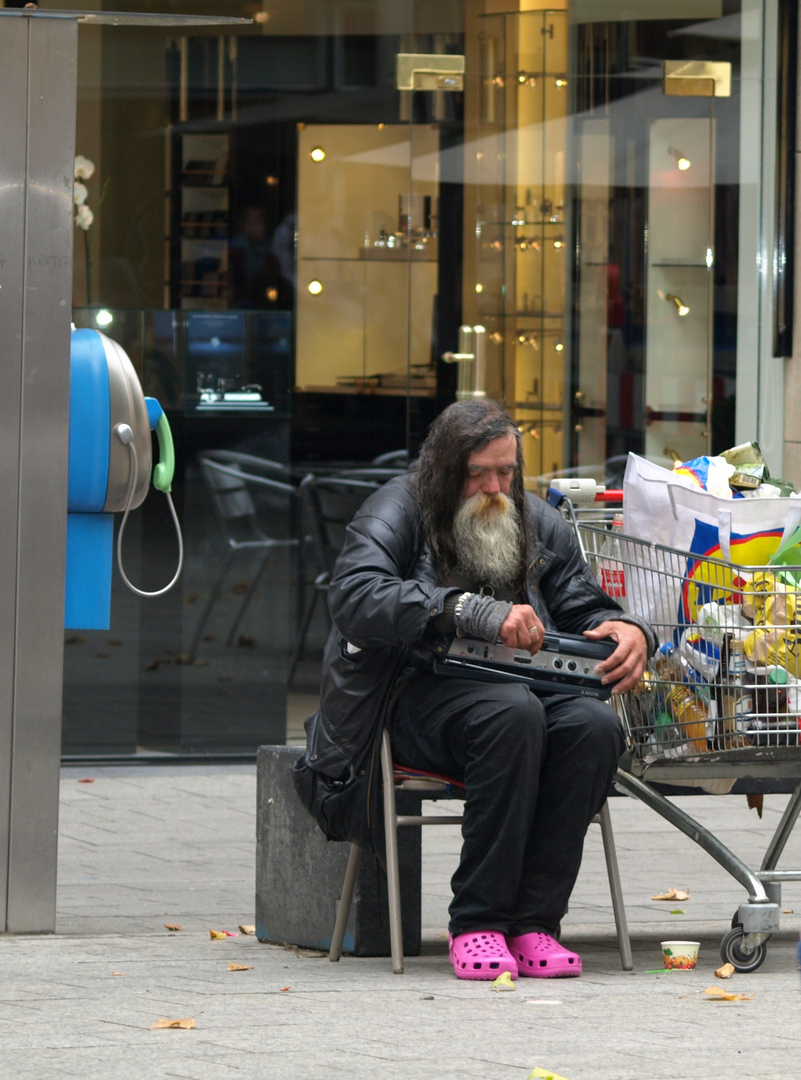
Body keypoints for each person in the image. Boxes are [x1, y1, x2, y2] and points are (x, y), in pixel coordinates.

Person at [294, 399, 655, 981]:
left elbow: (584, 605)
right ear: (443, 469)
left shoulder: (536, 520)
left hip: (519, 699)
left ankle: (536, 923)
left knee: (594, 726)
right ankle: (478, 923)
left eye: (506, 472)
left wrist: (629, 629)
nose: (494, 487)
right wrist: (463, 609)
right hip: (411, 699)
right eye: (477, 474)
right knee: (510, 714)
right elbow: (356, 595)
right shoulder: (396, 507)